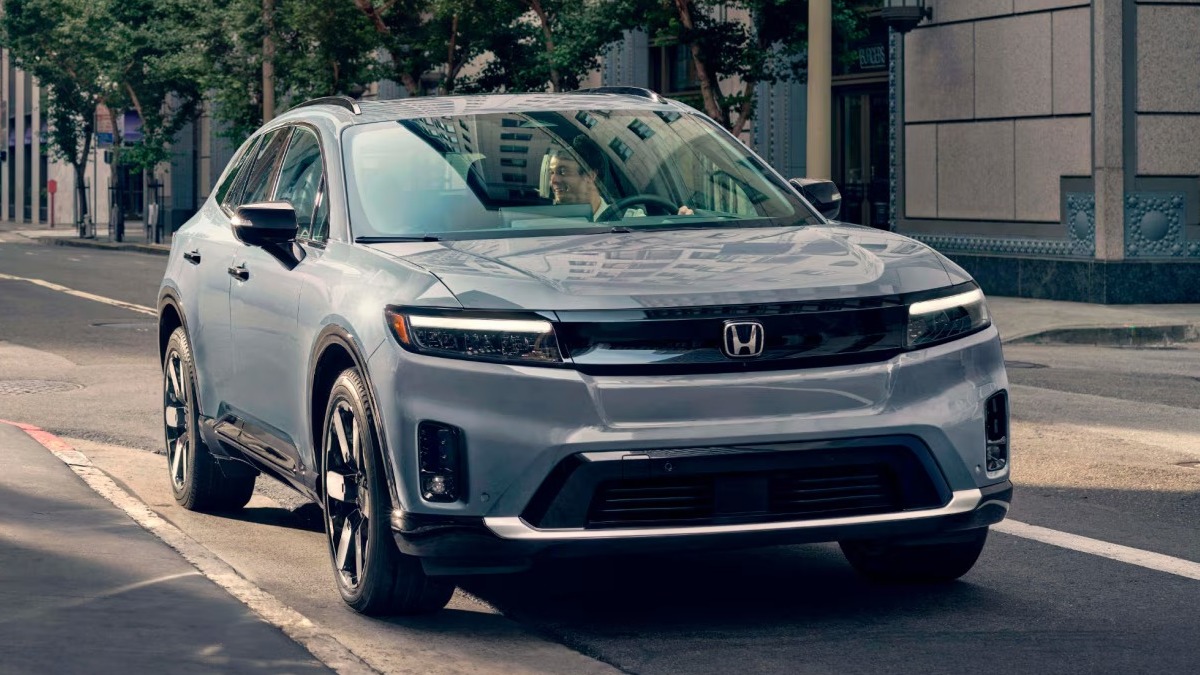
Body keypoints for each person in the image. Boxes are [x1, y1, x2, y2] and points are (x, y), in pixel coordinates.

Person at [548, 136, 693, 219]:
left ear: (590, 175)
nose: (553, 180)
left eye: (562, 172)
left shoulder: (629, 218)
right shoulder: (546, 223)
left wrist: (681, 224)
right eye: (552, 172)